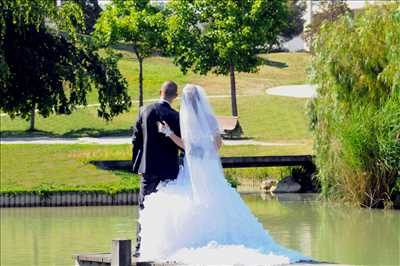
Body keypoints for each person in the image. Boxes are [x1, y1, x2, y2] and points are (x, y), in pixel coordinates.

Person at [137, 84, 311, 265]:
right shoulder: (209, 118)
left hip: (192, 168)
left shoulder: (185, 119)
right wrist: (207, 153)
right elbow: (218, 144)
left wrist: (169, 133)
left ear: (186, 101)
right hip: (208, 167)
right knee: (217, 198)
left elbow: (187, 147)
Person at [131, 80, 182, 256]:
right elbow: (184, 146)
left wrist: (138, 164)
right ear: (175, 96)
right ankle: (166, 247)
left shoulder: (144, 111)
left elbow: (135, 140)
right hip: (169, 170)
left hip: (148, 168)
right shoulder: (176, 116)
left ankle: (140, 247)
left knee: (144, 207)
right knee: (168, 208)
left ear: (160, 91)